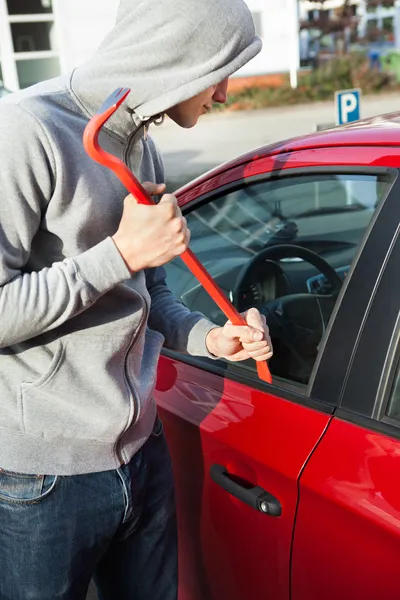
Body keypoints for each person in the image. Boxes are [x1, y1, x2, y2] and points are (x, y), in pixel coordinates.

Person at [0, 0, 272, 598]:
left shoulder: (137, 140)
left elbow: (149, 293)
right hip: (46, 477)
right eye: (221, 70)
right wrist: (118, 254)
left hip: (142, 453)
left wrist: (209, 338)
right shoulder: (26, 130)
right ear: (179, 56)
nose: (224, 93)